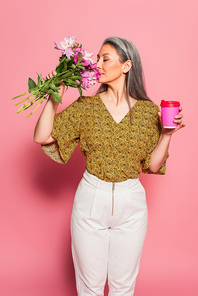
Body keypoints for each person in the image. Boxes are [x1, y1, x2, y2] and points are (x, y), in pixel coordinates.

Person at [34, 36, 185, 296]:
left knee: (123, 286)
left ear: (126, 66)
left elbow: (152, 166)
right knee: (90, 286)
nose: (98, 64)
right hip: (92, 198)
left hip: (131, 203)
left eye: (106, 58)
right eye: (97, 59)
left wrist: (167, 134)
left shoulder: (149, 112)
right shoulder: (86, 107)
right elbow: (43, 136)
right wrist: (53, 97)